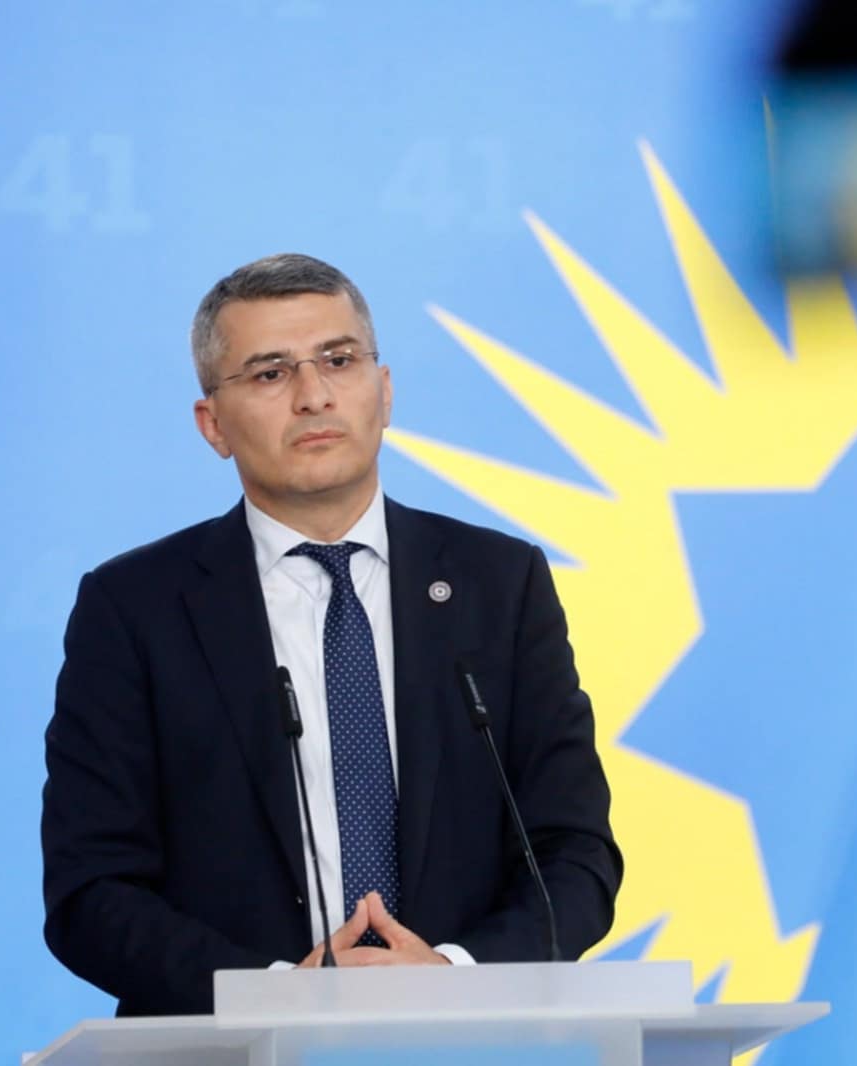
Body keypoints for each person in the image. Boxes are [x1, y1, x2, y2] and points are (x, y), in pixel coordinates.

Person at [40, 253, 622, 1016]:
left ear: (385, 391)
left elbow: (576, 856)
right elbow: (90, 892)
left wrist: (455, 976)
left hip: (470, 1043)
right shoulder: (134, 607)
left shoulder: (499, 584)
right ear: (213, 425)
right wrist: (276, 995)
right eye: (270, 373)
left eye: (339, 361)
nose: (313, 395)